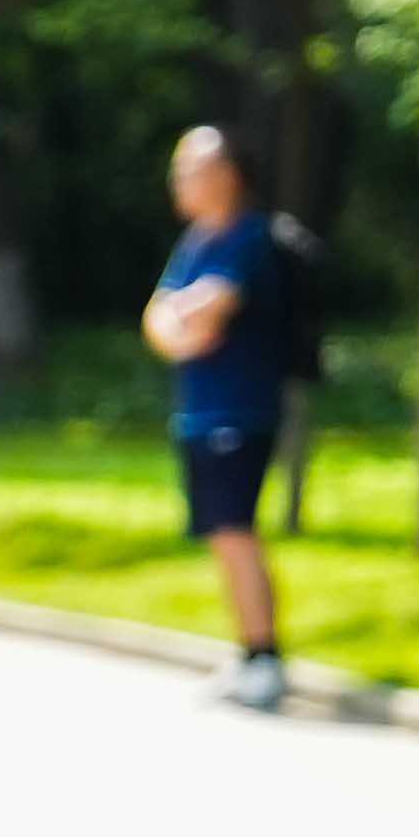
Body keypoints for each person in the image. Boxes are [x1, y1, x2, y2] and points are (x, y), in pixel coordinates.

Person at [144, 123, 295, 711]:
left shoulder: (247, 238)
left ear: (225, 175)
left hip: (241, 410)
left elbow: (209, 313)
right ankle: (247, 650)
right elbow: (161, 318)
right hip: (198, 412)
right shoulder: (196, 242)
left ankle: (265, 656)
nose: (178, 181)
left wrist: (183, 318)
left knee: (236, 532)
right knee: (219, 534)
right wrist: (180, 320)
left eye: (189, 169)